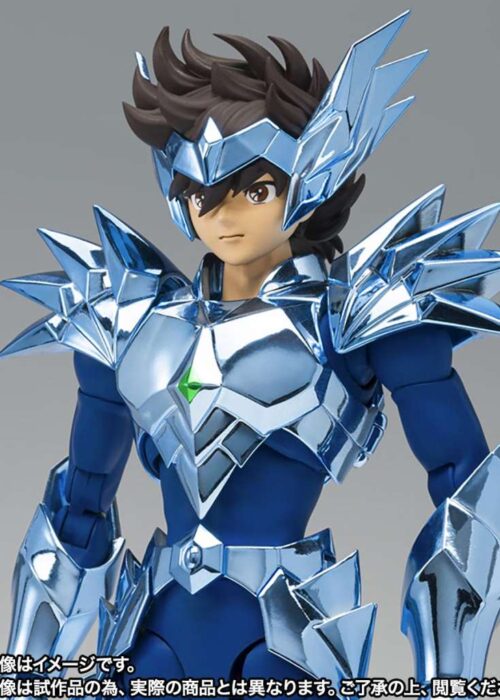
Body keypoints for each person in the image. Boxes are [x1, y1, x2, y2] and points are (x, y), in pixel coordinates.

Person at [3, 11, 500, 696]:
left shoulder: (353, 318)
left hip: (285, 637)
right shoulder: (131, 321)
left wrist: (453, 682)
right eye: (201, 194)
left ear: (311, 178)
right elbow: (79, 509)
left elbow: (469, 497)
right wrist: (27, 674)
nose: (224, 214)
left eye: (255, 189)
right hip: (153, 631)